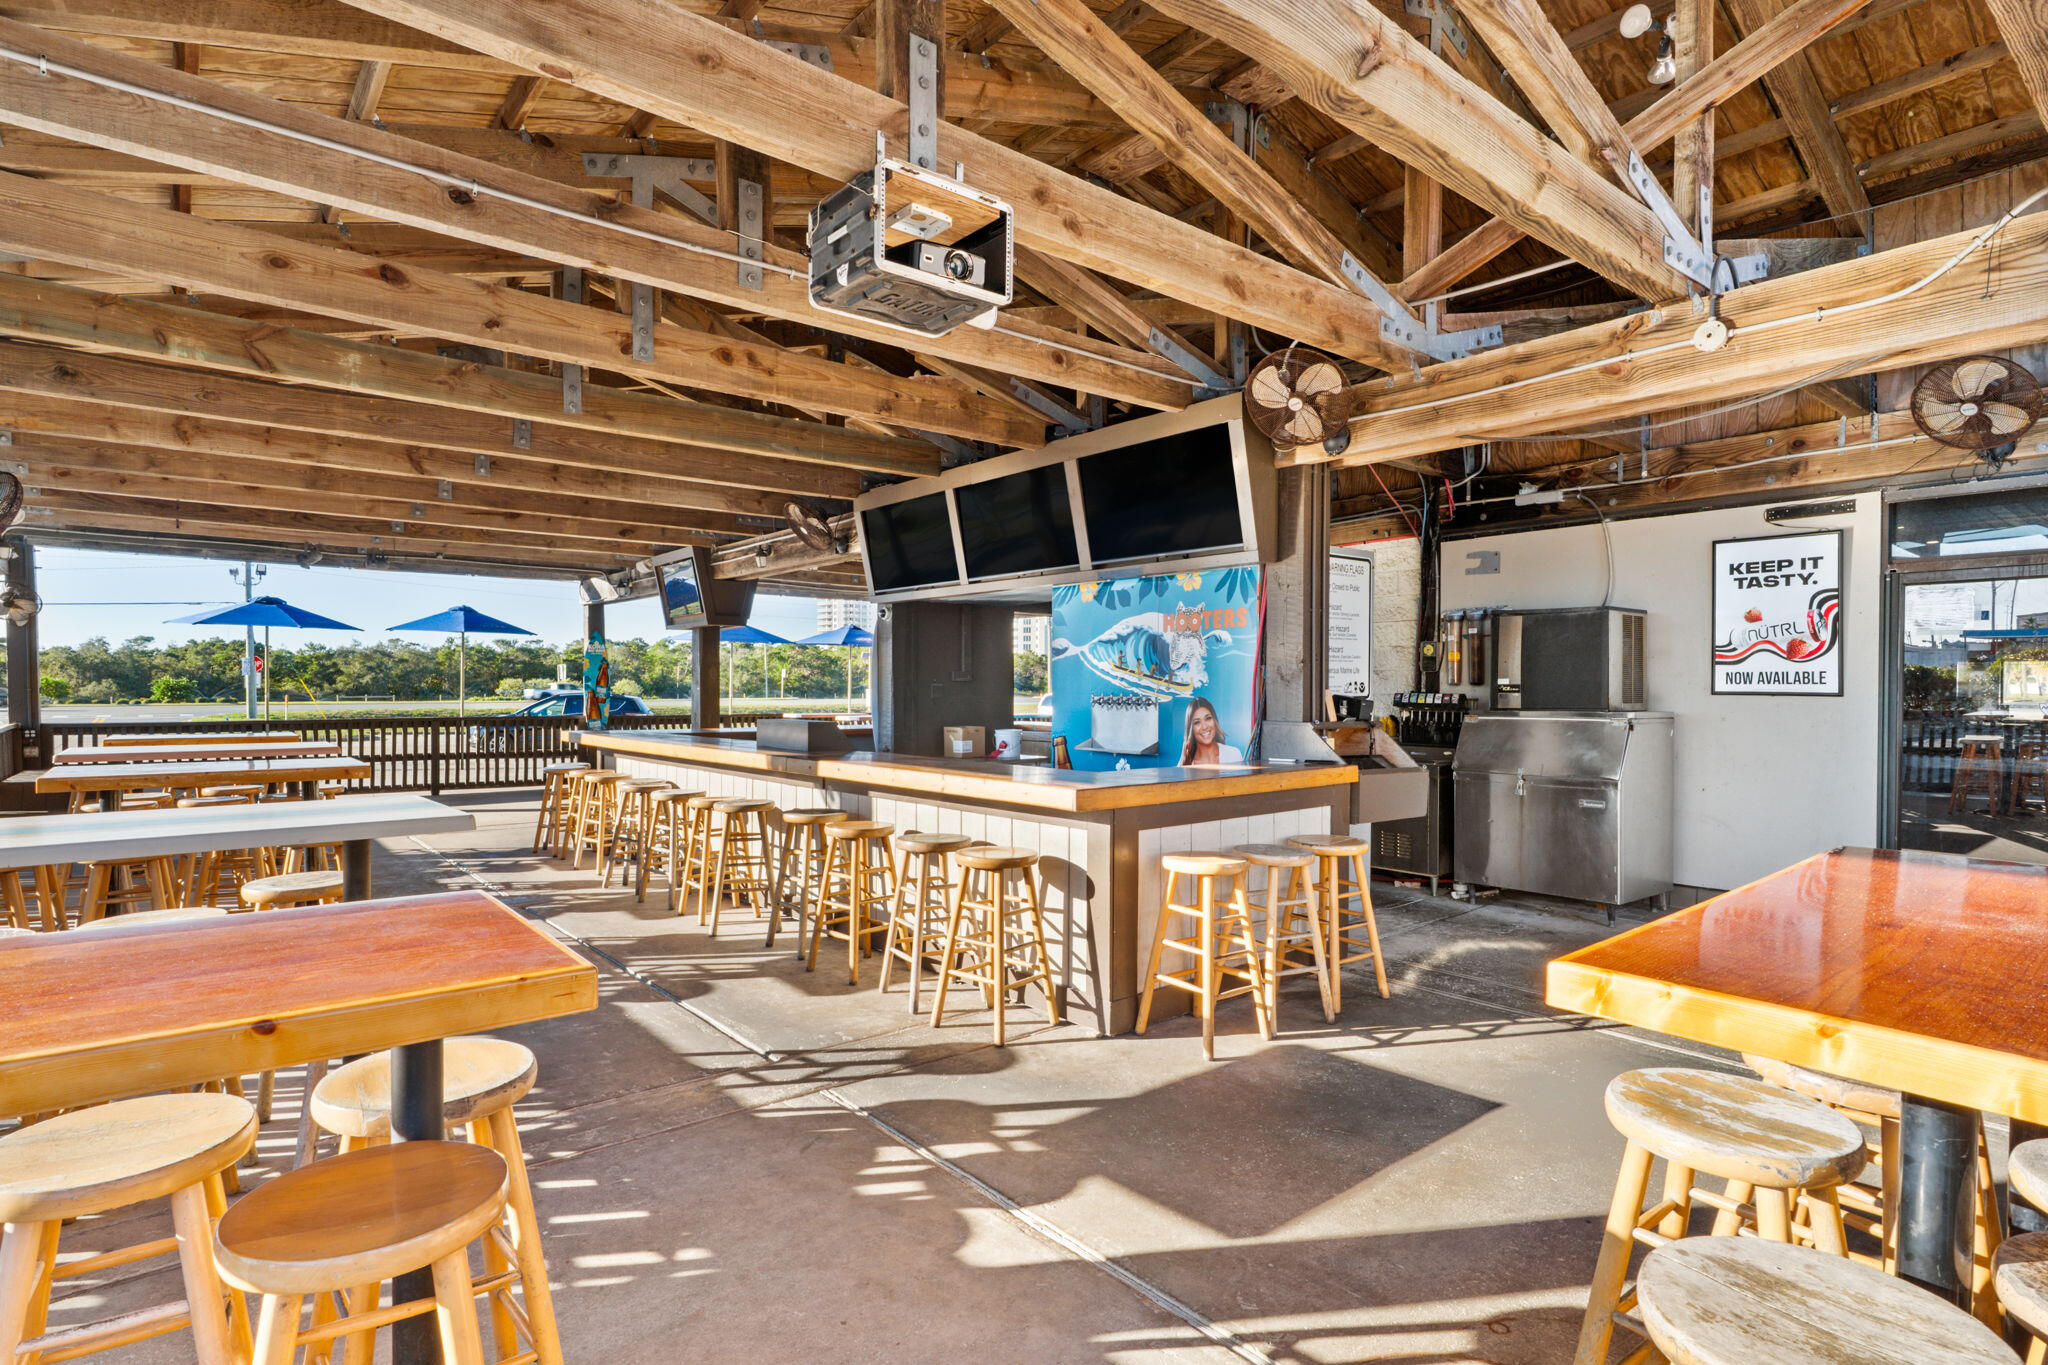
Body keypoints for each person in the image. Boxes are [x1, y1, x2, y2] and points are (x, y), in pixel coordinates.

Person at [1177, 697, 1244, 766]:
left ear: (1215, 720)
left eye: (1208, 718)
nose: (1204, 727)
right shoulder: (1187, 762)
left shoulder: (1233, 754)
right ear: (1190, 729)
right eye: (1197, 722)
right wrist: (1184, 761)